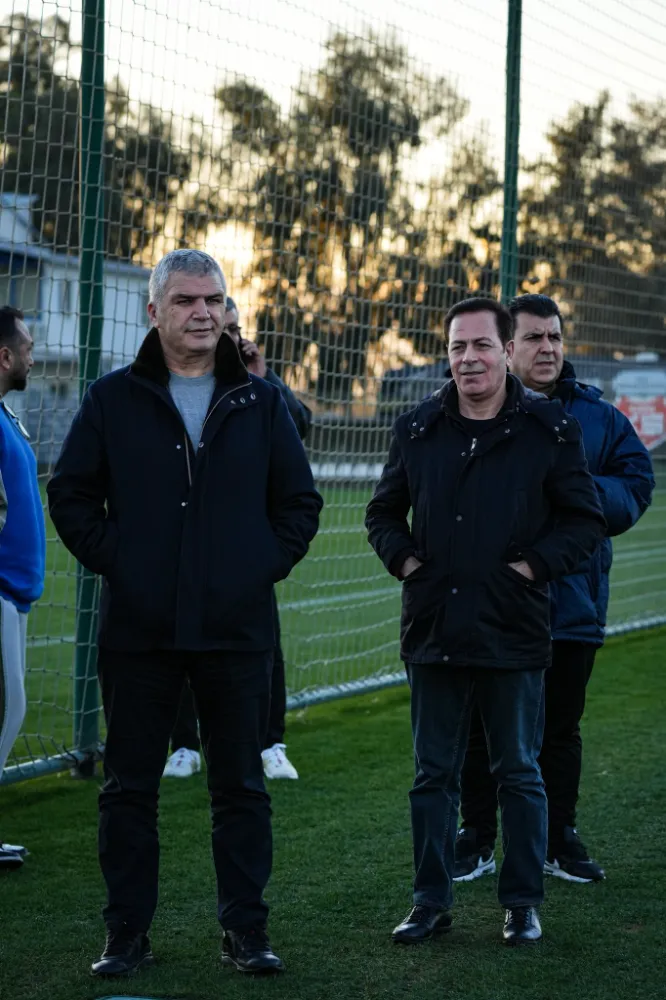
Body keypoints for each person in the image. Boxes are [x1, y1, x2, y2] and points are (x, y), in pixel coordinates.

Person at [47, 250, 322, 977]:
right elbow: (71, 495)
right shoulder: (112, 399)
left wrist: (255, 568)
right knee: (129, 791)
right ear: (154, 311)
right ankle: (126, 935)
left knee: (241, 789)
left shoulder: (261, 402)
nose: (203, 312)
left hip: (237, 629)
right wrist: (125, 563)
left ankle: (246, 932)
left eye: (214, 300)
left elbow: (299, 504)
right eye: (186, 300)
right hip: (139, 630)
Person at [365, 296, 606, 947]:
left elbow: (584, 520)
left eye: (480, 345)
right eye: (457, 347)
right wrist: (407, 563)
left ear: (506, 351)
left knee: (519, 772)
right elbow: (382, 513)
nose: (468, 358)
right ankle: (429, 901)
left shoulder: (550, 430)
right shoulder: (417, 429)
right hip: (434, 630)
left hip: (513, 628)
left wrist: (531, 568)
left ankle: (522, 903)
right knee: (432, 776)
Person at [454, 294, 654, 885]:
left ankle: (557, 837)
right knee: (480, 726)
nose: (548, 348)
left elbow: (636, 486)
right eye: (534, 338)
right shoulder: (471, 408)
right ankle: (476, 836)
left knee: (561, 729)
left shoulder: (599, 418)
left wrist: (570, 488)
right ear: (507, 347)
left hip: (572, 602)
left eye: (555, 337)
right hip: (490, 601)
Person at [163, 297, 312, 782]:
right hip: (181, 546)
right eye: (222, 327)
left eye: (234, 328)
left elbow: (302, 427)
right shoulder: (172, 385)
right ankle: (184, 745)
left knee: (265, 648)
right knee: (177, 644)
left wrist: (265, 376)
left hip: (246, 552)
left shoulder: (257, 389)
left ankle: (270, 743)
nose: (229, 336)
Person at [0, 306, 45, 871]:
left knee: (9, 708)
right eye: (29, 348)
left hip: (13, 596)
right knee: (9, 707)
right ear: (5, 355)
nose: (33, 357)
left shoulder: (6, 417)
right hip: (0, 592)